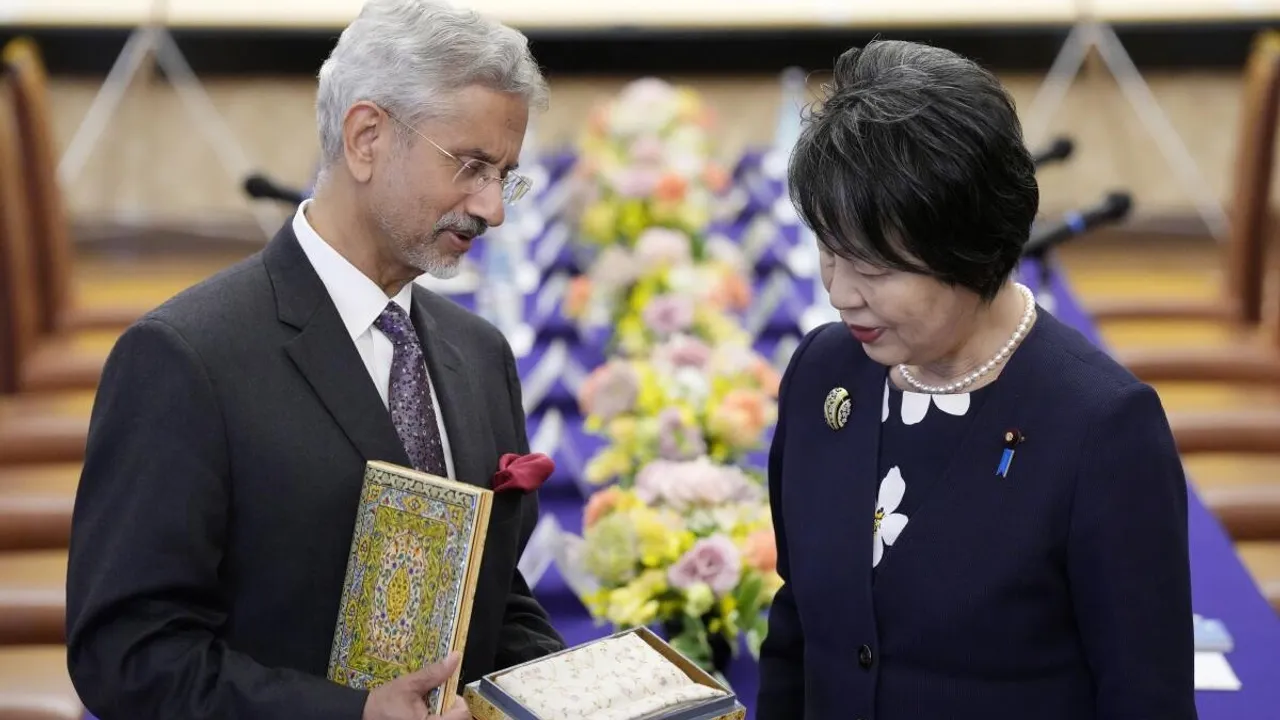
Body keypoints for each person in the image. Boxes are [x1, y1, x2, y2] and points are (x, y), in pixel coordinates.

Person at [64, 1, 565, 718]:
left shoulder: (478, 355)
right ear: (366, 137)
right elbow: (130, 654)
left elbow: (492, 602)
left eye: (506, 175)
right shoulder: (185, 359)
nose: (493, 210)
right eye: (471, 167)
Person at [757, 40, 1196, 720]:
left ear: (972, 242)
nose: (840, 293)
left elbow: (1145, 700)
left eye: (874, 270)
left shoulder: (1099, 429)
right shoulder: (824, 374)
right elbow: (798, 633)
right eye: (827, 251)